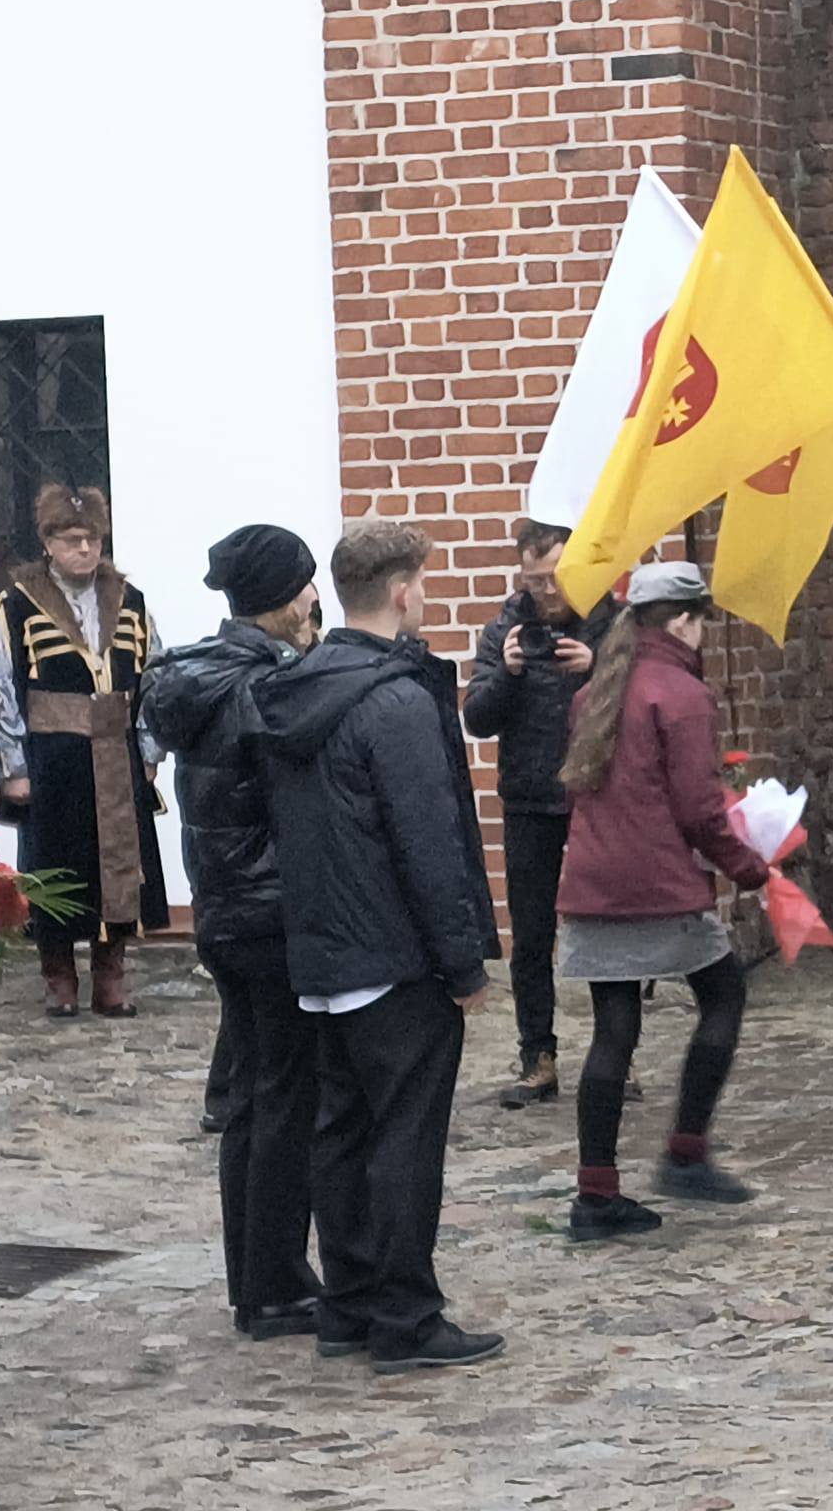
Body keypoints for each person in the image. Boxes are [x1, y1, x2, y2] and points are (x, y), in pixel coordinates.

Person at [254, 521, 503, 1373]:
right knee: (403, 1138)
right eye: (422, 585)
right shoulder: (394, 702)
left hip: (324, 952)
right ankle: (405, 1314)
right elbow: (427, 843)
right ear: (401, 592)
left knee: (342, 1133)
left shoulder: (295, 689)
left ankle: (350, 1303)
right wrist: (462, 962)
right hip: (392, 956)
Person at [553, 562, 770, 1244]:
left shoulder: (596, 691)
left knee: (613, 1032)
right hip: (656, 885)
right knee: (724, 994)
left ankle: (596, 1194)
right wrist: (749, 869)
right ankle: (686, 1154)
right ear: (682, 620)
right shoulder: (681, 694)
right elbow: (699, 809)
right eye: (701, 620)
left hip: (594, 881)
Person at [141, 525, 323, 1341]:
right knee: (284, 1102)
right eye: (306, 587)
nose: (315, 600)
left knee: (252, 1100)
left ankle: (257, 1281)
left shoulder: (206, 678)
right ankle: (275, 1284)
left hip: (224, 910)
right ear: (282, 597)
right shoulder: (267, 688)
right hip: (271, 912)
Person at [0, 485, 168, 1018]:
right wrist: (14, 765)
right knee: (55, 863)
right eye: (72, 539)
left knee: (120, 866)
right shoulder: (17, 602)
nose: (85, 549)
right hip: (52, 758)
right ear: (48, 543)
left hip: (118, 754)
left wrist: (150, 749)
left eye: (92, 539)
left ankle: (110, 974)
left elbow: (155, 679)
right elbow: (2, 686)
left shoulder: (130, 600)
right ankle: (59, 976)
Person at [463, 519, 617, 1109]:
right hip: (530, 797)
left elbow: (645, 699)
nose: (547, 591)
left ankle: (616, 1056)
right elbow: (477, 719)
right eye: (534, 581)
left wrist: (597, 667)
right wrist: (507, 673)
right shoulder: (505, 629)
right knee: (530, 936)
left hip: (598, 795)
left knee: (608, 927)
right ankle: (537, 1058)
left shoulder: (611, 622)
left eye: (555, 577)